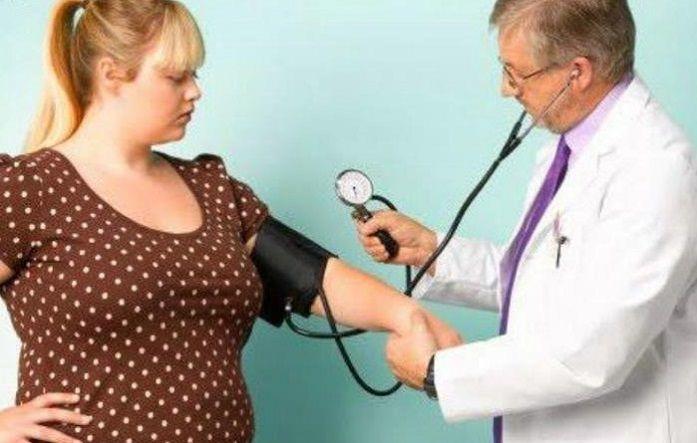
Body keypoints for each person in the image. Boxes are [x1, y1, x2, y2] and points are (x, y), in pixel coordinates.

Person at [0, 1, 462, 442]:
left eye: (195, 74)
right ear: (111, 75)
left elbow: (313, 278)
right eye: (175, 76)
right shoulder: (28, 189)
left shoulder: (212, 189)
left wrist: (408, 316)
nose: (194, 90)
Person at [356, 0, 697, 442]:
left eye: (516, 73)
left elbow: (594, 352)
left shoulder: (656, 170)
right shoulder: (571, 147)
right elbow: (551, 283)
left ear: (577, 73)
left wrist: (439, 373)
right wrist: (433, 253)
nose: (506, 89)